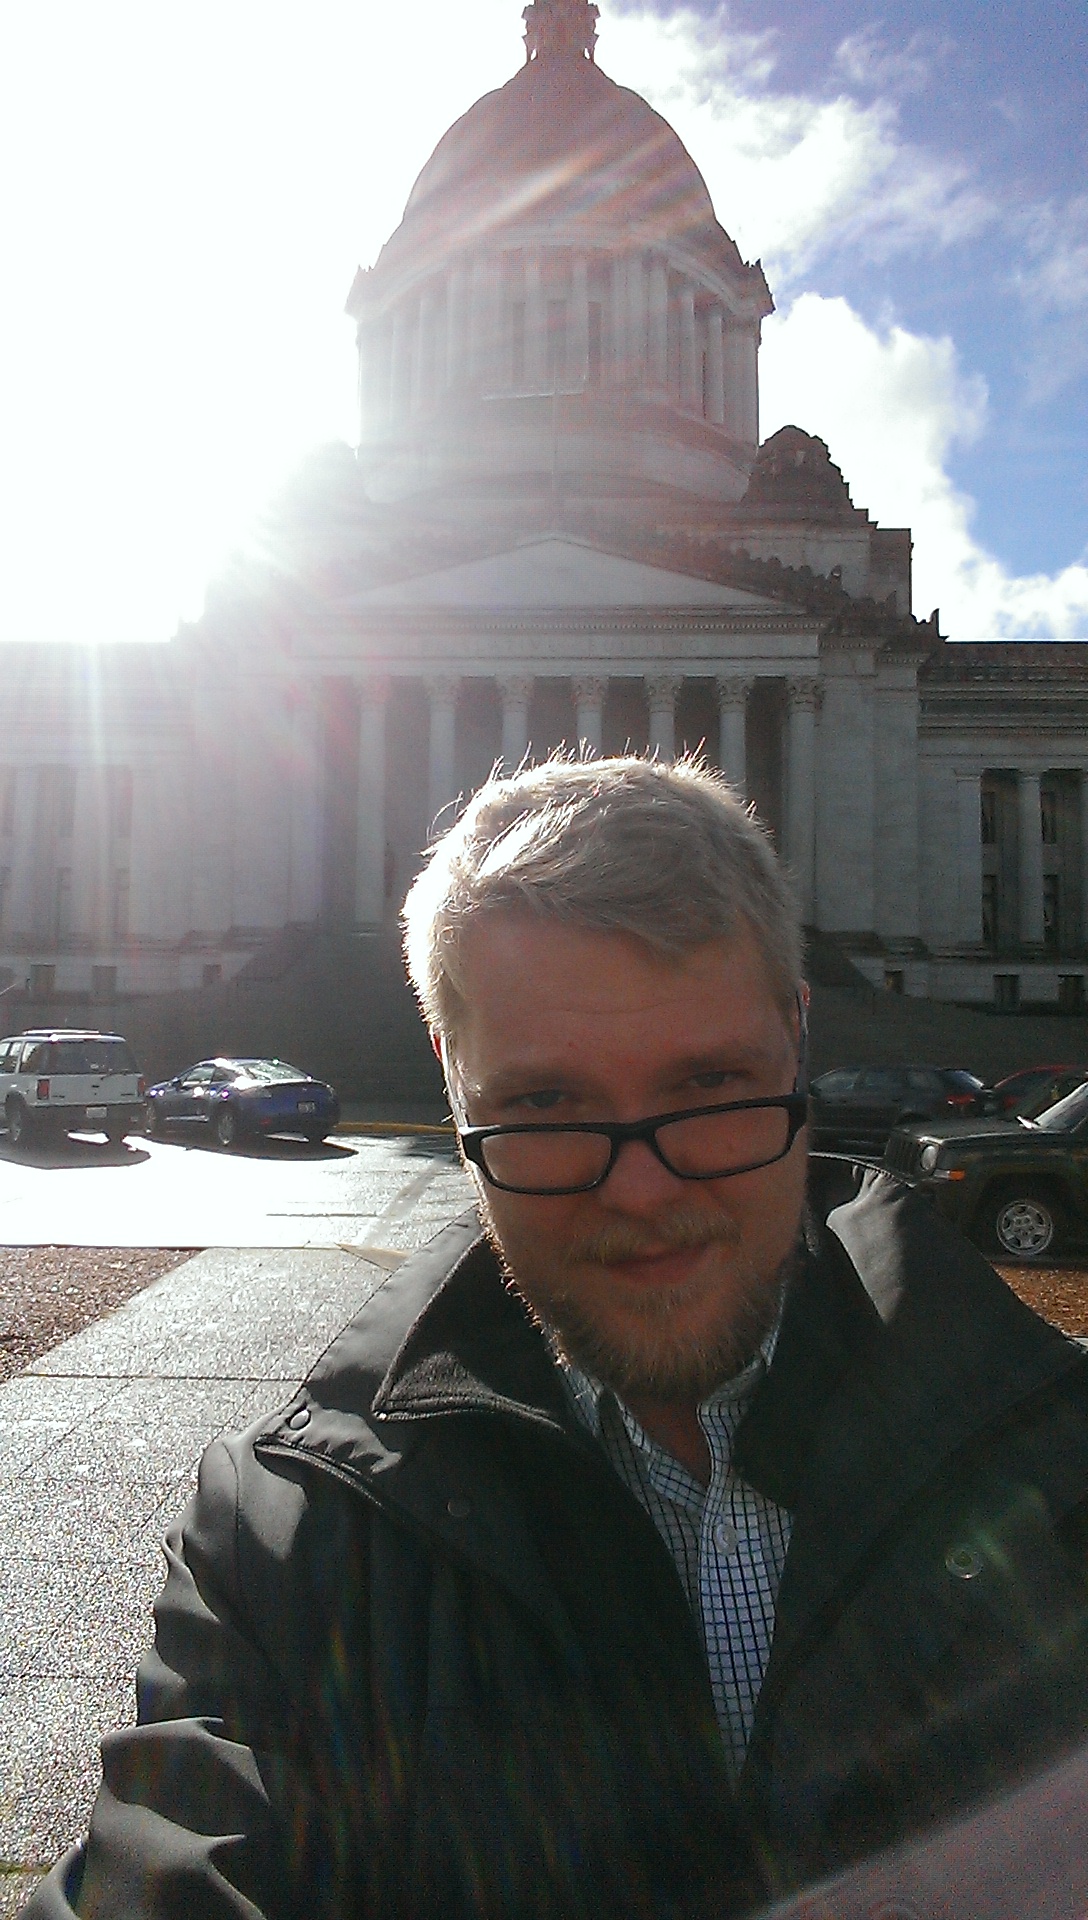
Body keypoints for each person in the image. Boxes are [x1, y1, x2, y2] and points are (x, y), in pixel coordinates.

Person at [26, 755, 1088, 1920]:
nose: (640, 1193)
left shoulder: (1058, 1458)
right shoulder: (290, 1541)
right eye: (544, 1105)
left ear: (796, 1033)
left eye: (709, 1083)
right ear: (454, 1086)